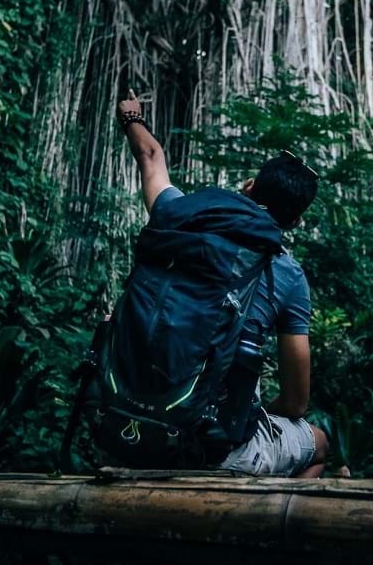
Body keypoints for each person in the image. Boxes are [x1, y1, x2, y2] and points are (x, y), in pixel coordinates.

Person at [109, 89, 329, 478]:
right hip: (211, 447)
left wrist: (132, 117)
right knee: (320, 445)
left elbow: (150, 158)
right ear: (293, 223)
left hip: (123, 421)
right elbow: (296, 402)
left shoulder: (178, 215)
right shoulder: (289, 275)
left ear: (247, 187)